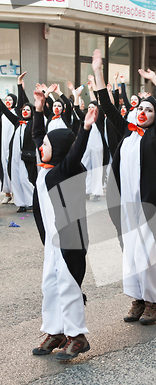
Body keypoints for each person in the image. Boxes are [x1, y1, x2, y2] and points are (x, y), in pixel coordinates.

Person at [92, 49, 156, 325]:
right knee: (131, 254)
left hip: (149, 206)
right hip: (127, 205)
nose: (144, 112)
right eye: (141, 109)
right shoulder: (127, 131)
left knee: (147, 255)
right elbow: (108, 107)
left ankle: (153, 302)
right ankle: (137, 299)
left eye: (149, 110)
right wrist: (99, 72)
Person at [31, 90, 97, 360]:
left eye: (46, 144)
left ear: (57, 150)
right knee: (50, 285)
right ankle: (55, 330)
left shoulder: (65, 170)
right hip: (52, 243)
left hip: (70, 243)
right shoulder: (44, 169)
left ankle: (77, 336)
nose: (40, 147)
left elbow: (74, 153)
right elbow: (37, 137)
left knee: (68, 286)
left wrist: (86, 128)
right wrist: (38, 109)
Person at [0, 73, 36, 213]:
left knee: (24, 178)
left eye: (28, 109)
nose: (25, 111)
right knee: (15, 178)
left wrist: (20, 85)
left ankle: (32, 201)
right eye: (24, 110)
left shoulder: (34, 123)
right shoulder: (17, 122)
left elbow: (22, 100)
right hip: (14, 156)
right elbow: (4, 109)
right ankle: (21, 203)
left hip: (26, 155)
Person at [0, 91, 17, 203]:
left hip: (13, 143)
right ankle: (7, 193)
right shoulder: (2, 114)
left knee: (13, 167)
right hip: (3, 142)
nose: (8, 101)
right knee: (4, 167)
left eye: (10, 99)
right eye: (6, 99)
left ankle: (16, 194)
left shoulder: (16, 113)